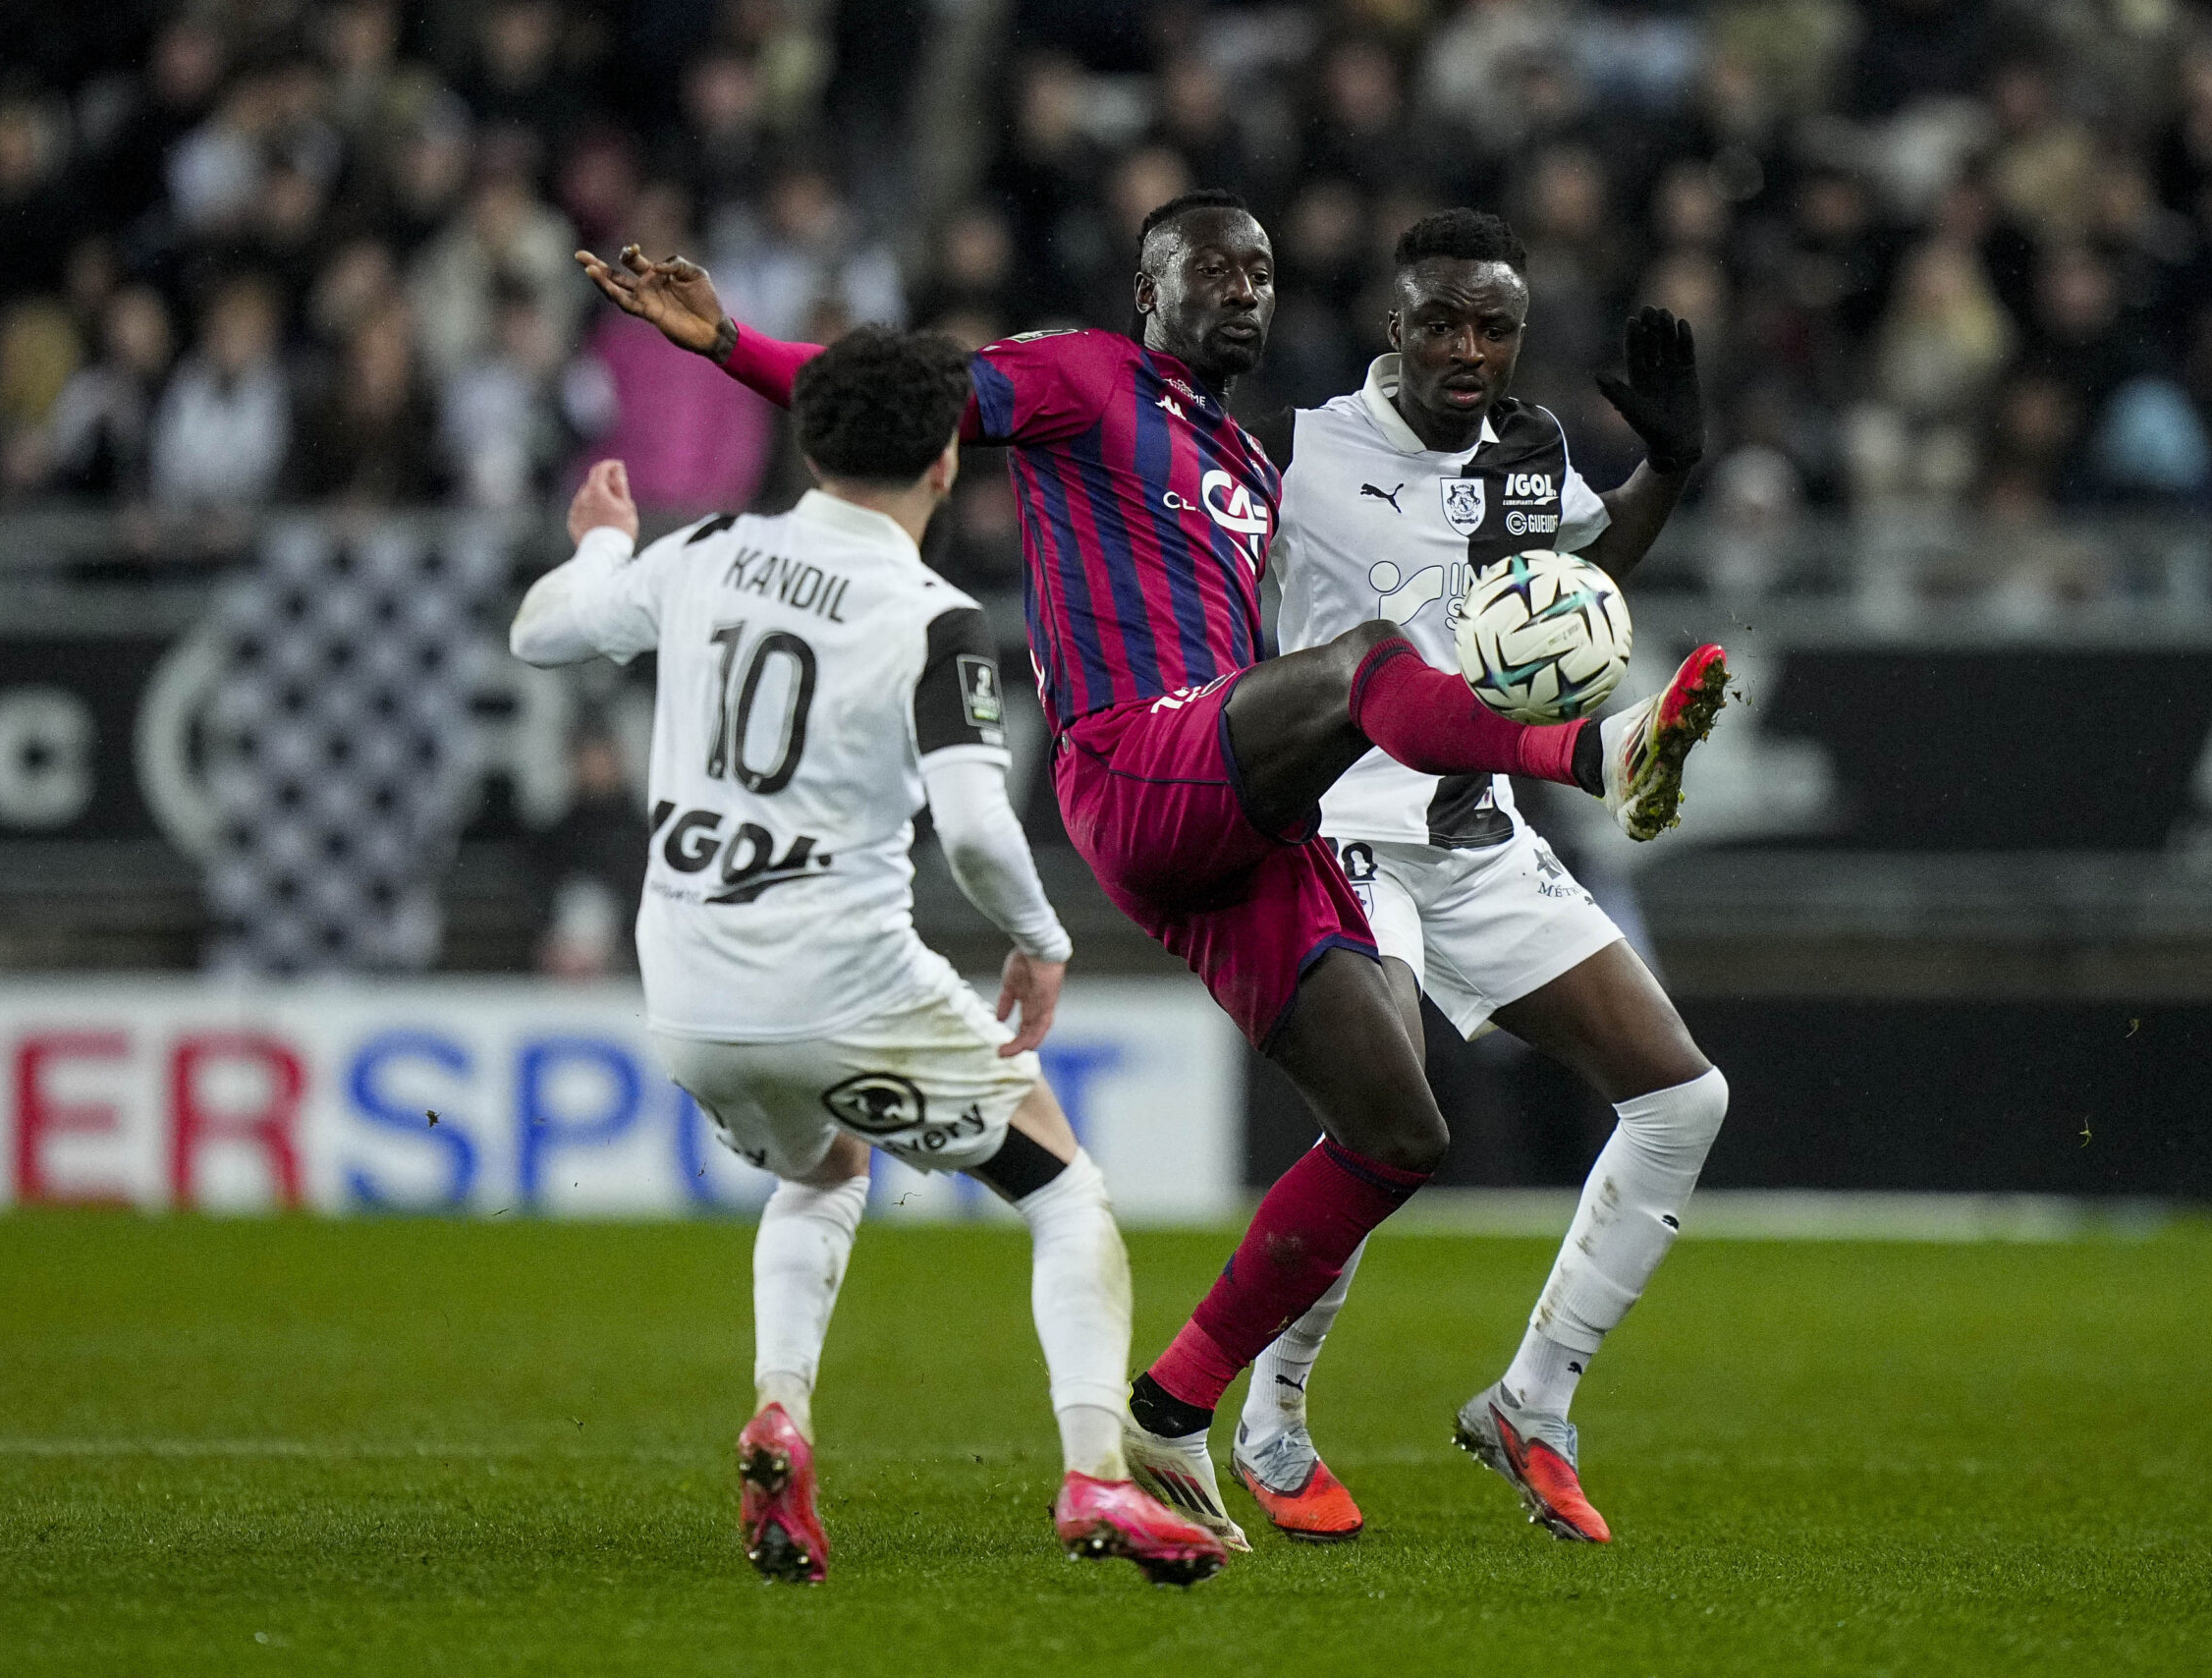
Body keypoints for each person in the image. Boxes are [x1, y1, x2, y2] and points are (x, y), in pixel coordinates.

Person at [574, 190, 1728, 1550]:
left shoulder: (1245, 460)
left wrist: (1656, 472)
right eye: (1212, 270)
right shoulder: (1086, 376)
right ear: (1147, 286)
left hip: (1250, 814)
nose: (1243, 291)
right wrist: (728, 346)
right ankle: (1599, 757)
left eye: (1259, 272)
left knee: (1399, 1130)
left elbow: (1545, 574)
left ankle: (1177, 1407)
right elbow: (900, 401)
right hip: (1142, 763)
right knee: (1363, 663)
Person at [508, 327, 1226, 1589]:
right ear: (948, 460)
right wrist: (1041, 942)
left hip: (688, 993)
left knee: (829, 1165)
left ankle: (780, 1409)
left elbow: (543, 634)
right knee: (1063, 1196)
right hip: (841, 982)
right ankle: (1093, 1472)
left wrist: (603, 542)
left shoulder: (708, 552)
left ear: (808, 443)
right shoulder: (933, 617)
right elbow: (974, 823)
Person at [1232, 209, 1730, 1544]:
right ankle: (1271, 1420)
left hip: (1472, 828)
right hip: (1337, 832)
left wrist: (1670, 473)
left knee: (1684, 1098)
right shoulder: (1301, 449)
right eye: (1441, 322)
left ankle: (1532, 1403)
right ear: (1395, 326)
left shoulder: (1530, 450)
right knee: (1378, 1132)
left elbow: (1572, 589)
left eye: (1493, 328)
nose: (1467, 348)